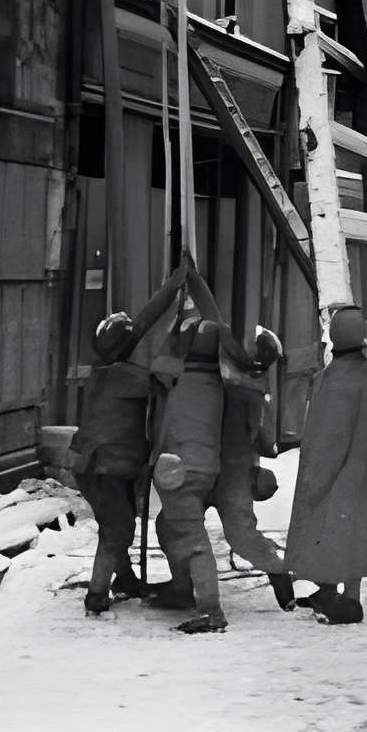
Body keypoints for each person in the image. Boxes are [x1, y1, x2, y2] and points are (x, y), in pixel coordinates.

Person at [150, 321, 294, 615]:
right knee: (241, 534)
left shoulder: (206, 383)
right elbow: (268, 443)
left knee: (173, 528)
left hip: (198, 468)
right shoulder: (252, 391)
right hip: (234, 474)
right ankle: (277, 570)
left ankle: (183, 586)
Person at [71, 271, 185, 616]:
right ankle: (96, 595)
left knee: (115, 524)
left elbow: (141, 329)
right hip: (105, 466)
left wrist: (171, 288)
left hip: (93, 465)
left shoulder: (103, 373)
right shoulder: (129, 378)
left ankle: (125, 578)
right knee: (117, 528)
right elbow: (163, 382)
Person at [284, 305, 367, 624]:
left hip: (336, 475)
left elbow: (327, 437)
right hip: (364, 475)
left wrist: (314, 480)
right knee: (354, 536)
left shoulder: (334, 380)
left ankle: (333, 597)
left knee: (330, 533)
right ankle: (349, 596)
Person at [151, 316, 227, 633]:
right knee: (167, 527)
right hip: (206, 467)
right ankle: (181, 588)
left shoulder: (178, 380)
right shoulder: (217, 383)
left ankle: (211, 609)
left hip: (179, 469)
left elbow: (156, 365)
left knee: (193, 539)